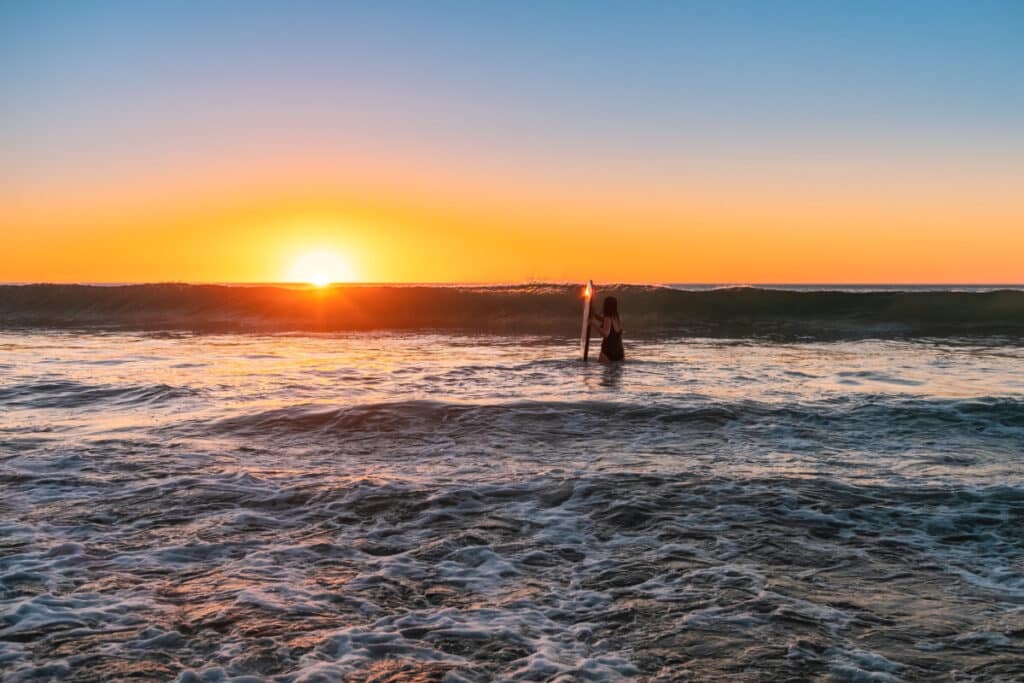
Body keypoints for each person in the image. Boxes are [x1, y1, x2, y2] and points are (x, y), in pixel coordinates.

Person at [590, 296, 624, 362]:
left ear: (606, 306)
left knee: (606, 371)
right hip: (619, 351)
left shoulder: (608, 318)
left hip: (608, 350)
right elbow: (606, 322)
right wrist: (594, 314)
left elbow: (605, 334)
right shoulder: (616, 318)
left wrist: (594, 324)